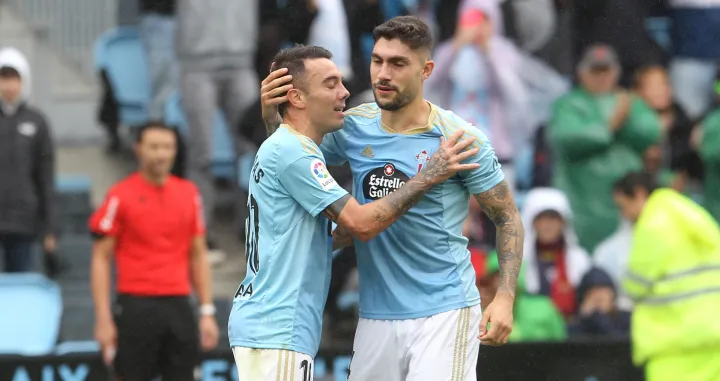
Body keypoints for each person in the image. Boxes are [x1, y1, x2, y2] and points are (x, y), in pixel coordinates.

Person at [261, 16, 524, 381]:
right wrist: (275, 119)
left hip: (444, 310)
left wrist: (506, 297)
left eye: (398, 63)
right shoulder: (353, 126)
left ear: (426, 70)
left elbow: (507, 217)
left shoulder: (461, 140)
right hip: (375, 315)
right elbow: (290, 164)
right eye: (377, 60)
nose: (383, 73)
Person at [229, 45, 481, 381]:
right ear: (297, 98)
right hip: (277, 326)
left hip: (271, 325)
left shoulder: (284, 147)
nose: (344, 92)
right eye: (331, 84)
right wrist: (427, 176)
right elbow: (361, 224)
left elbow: (314, 237)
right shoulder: (294, 152)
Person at [89, 122, 219, 381]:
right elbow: (101, 259)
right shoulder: (119, 196)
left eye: (167, 147)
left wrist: (206, 311)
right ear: (138, 149)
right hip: (136, 305)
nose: (161, 154)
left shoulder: (189, 193)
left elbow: (197, 254)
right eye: (154, 147)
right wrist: (103, 318)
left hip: (179, 304)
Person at [548, 44, 661, 252]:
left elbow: (651, 131)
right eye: (595, 70)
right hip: (582, 203)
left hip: (624, 201)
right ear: (581, 72)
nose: (601, 77)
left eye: (606, 70)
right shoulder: (568, 104)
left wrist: (625, 121)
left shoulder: (629, 101)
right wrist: (610, 126)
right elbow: (567, 138)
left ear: (616, 72)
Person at [615, 172, 720, 381]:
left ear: (639, 194)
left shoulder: (653, 222)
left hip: (673, 344)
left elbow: (635, 285)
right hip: (713, 336)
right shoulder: (690, 212)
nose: (624, 215)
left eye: (623, 206)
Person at [0, 47, 56, 273]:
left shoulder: (37, 122)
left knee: (20, 289)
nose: (9, 85)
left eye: (15, 78)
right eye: (4, 78)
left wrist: (50, 227)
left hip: (22, 222)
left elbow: (45, 177)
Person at [520, 187, 591, 319]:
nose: (548, 225)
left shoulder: (579, 258)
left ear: (563, 223)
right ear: (532, 223)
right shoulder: (519, 259)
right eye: (542, 219)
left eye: (553, 218)